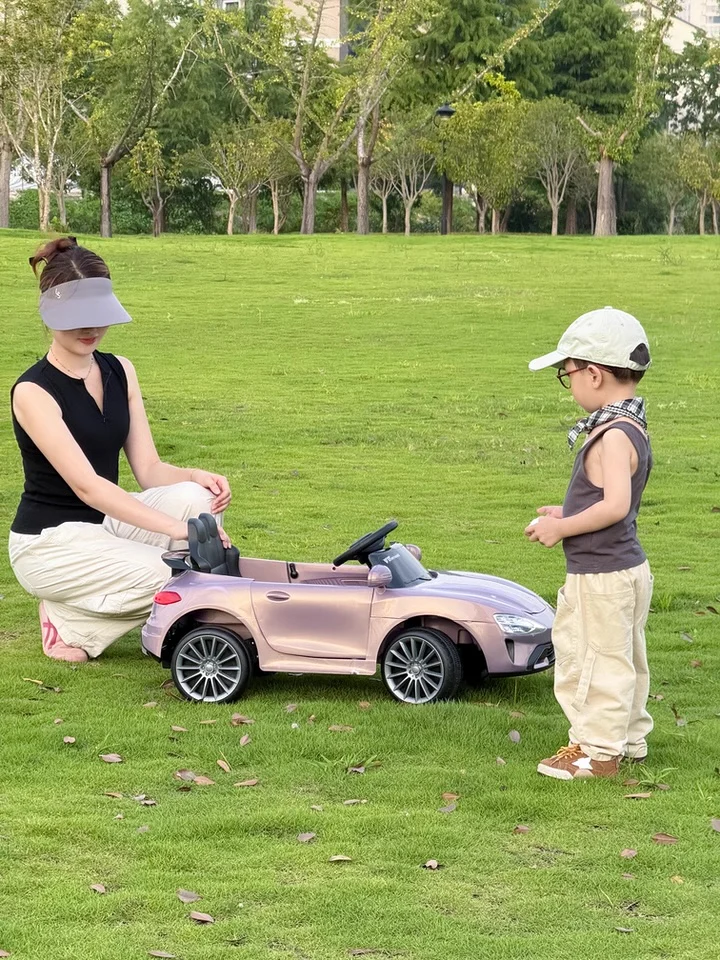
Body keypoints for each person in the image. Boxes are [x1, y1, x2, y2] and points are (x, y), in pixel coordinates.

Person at [9, 236, 232, 663]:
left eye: (99, 316)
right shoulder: (33, 391)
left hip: (105, 526)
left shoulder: (120, 370)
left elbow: (148, 469)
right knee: (175, 574)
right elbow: (88, 487)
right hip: (50, 542)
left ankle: (87, 605)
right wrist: (181, 532)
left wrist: (194, 476)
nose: (91, 329)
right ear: (49, 314)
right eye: (78, 319)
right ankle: (68, 620)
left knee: (198, 500)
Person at [525, 306, 654, 780]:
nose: (569, 384)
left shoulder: (612, 436)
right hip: (625, 568)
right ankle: (629, 740)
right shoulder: (631, 426)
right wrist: (568, 512)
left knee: (593, 660)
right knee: (623, 658)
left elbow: (615, 505)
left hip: (602, 575)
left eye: (568, 374)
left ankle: (597, 754)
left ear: (594, 374)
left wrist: (562, 529)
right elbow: (608, 499)